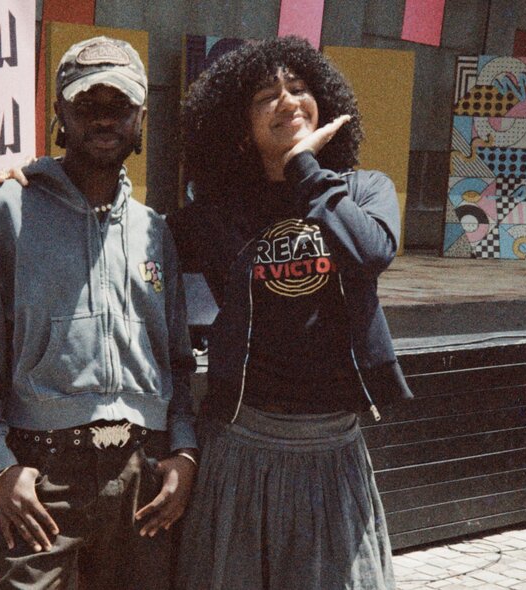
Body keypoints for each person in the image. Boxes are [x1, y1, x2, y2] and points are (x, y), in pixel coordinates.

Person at [0, 36, 198, 590]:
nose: (104, 120)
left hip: (142, 475)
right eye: (87, 105)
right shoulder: (5, 212)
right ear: (59, 112)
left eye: (120, 106)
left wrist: (184, 453)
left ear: (141, 118)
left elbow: (176, 359)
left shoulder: (155, 231)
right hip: (43, 477)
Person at [165, 36, 414, 589]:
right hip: (243, 443)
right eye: (265, 95)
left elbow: (371, 252)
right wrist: (42, 185)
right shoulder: (215, 215)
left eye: (299, 89)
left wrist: (305, 169)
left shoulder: (364, 190)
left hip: (332, 448)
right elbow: (126, 238)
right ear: (238, 124)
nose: (287, 100)